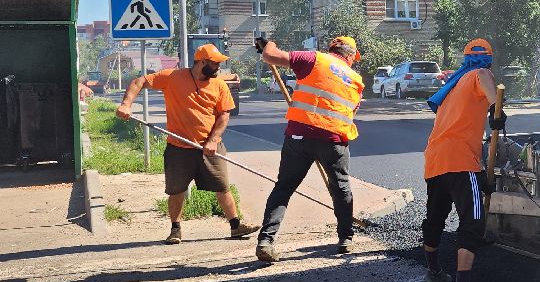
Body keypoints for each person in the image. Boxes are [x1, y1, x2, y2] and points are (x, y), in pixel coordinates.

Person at [116, 43, 259, 245]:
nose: (219, 67)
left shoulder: (219, 85)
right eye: (215, 63)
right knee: (176, 190)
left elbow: (224, 115)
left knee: (222, 187)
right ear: (202, 62)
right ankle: (175, 230)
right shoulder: (173, 77)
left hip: (209, 147)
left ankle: (236, 226)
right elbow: (139, 82)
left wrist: (214, 139)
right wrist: (126, 104)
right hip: (178, 147)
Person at [252, 34, 364, 262]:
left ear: (332, 48)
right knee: (341, 187)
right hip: (333, 140)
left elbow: (270, 55)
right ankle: (346, 238)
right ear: (350, 56)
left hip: (298, 136)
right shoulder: (356, 80)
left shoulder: (314, 59)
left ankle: (266, 240)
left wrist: (268, 43)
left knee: (284, 188)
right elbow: (350, 113)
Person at [420, 38, 503, 282]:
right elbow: (489, 86)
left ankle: (434, 273)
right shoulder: (481, 74)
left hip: (435, 158)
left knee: (435, 218)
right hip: (460, 159)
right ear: (489, 59)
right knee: (473, 222)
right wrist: (497, 110)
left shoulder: (452, 85)